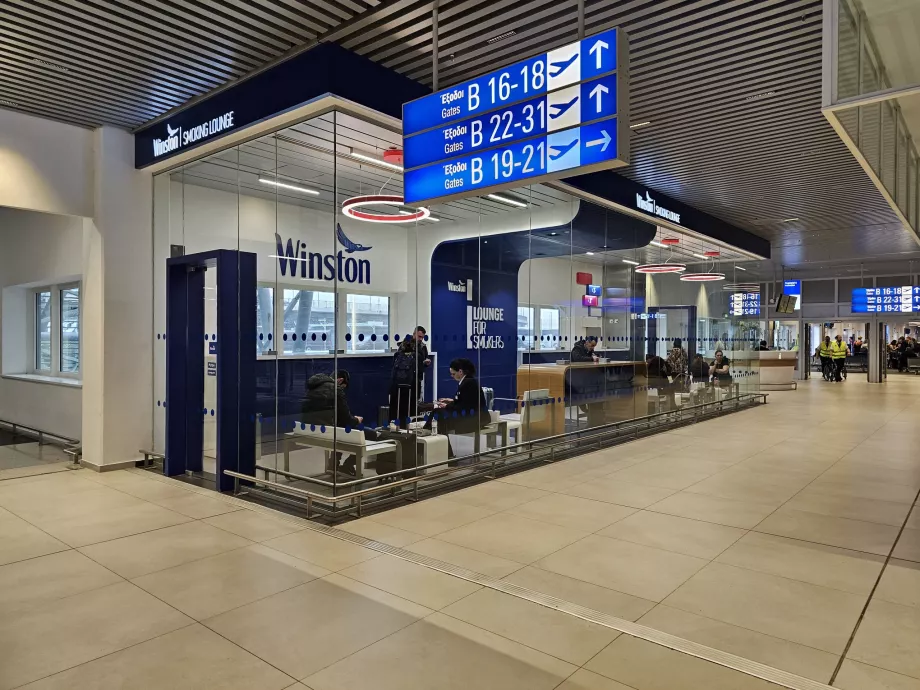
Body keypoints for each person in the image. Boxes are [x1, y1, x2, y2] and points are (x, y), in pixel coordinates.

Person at [302, 369, 363, 475]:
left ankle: (333, 464)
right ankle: (348, 465)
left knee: (340, 429)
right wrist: (357, 420)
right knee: (366, 434)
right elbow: (347, 419)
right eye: (343, 387)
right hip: (327, 433)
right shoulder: (336, 389)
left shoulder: (314, 387)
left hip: (308, 430)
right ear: (340, 380)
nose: (342, 390)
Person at [425, 358, 488, 459]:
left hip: (473, 418)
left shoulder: (468, 383)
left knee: (439, 415)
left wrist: (447, 406)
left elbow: (464, 406)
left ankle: (431, 438)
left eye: (453, 374)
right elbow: (464, 401)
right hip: (469, 414)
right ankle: (444, 451)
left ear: (460, 371)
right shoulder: (467, 382)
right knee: (438, 415)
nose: (452, 376)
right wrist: (450, 401)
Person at [389, 338, 418, 429]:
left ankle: (394, 428)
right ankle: (407, 428)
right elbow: (419, 373)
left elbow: (393, 372)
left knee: (395, 409)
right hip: (410, 387)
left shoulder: (397, 355)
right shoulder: (416, 356)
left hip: (395, 387)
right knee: (407, 410)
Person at [412, 326, 432, 400]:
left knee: (418, 399)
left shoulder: (423, 346)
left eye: (422, 337)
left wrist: (426, 363)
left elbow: (425, 358)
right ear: (414, 334)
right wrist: (422, 362)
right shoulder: (407, 345)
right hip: (408, 378)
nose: (421, 339)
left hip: (419, 377)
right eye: (419, 336)